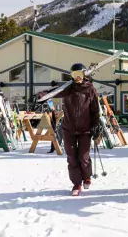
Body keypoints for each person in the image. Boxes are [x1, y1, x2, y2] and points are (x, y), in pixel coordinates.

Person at [53, 63, 101, 196]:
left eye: (80, 74)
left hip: (85, 129)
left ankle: (86, 177)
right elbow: (55, 93)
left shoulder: (90, 89)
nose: (78, 77)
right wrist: (41, 96)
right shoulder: (68, 89)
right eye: (74, 75)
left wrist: (96, 125)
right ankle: (76, 183)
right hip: (69, 129)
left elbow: (95, 109)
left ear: (85, 74)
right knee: (71, 158)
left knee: (83, 157)